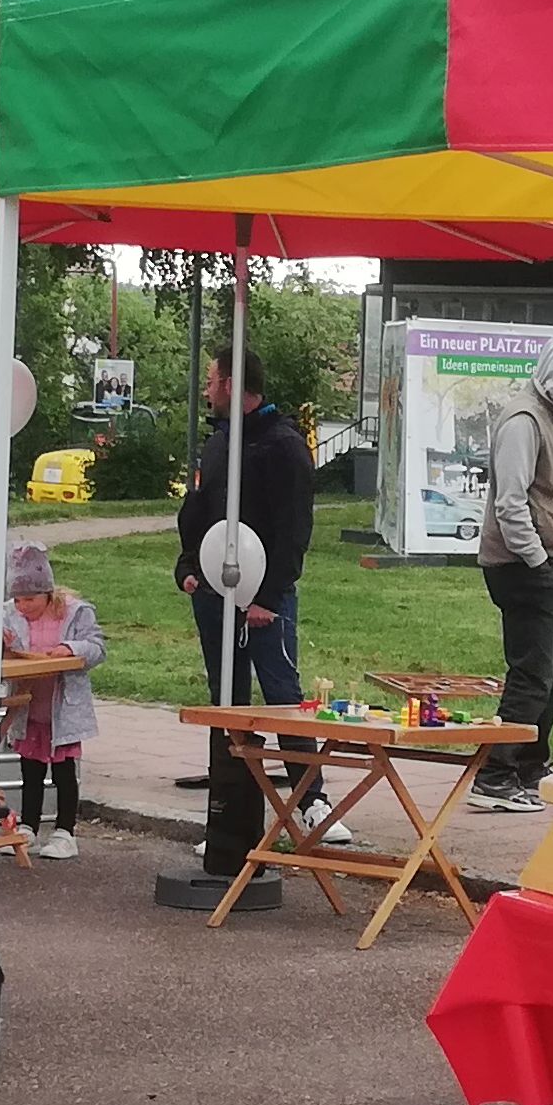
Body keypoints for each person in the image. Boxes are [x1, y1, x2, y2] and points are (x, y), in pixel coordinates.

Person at [171, 347, 344, 840]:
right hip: (212, 589)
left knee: (282, 696)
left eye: (211, 380)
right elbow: (199, 510)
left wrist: (270, 595)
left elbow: (293, 529)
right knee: (225, 702)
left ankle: (312, 801)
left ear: (231, 383)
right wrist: (187, 565)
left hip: (267, 596)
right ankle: (231, 815)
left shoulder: (284, 446)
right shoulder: (219, 442)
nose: (206, 389)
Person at [469, 332, 553, 815]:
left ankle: (529, 767)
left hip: (542, 565)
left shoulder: (547, 415)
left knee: (551, 673)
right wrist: (536, 560)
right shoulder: (524, 420)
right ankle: (495, 774)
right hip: (523, 567)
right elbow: (510, 501)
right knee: (532, 674)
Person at [0, 540, 107, 860]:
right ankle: (28, 826)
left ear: (47, 593)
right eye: (17, 600)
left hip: (62, 706)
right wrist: (2, 647)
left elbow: (97, 648)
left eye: (29, 599)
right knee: (30, 768)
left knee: (63, 771)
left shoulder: (75, 613)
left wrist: (71, 650)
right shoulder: (7, 615)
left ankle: (65, 831)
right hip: (29, 704)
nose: (22, 606)